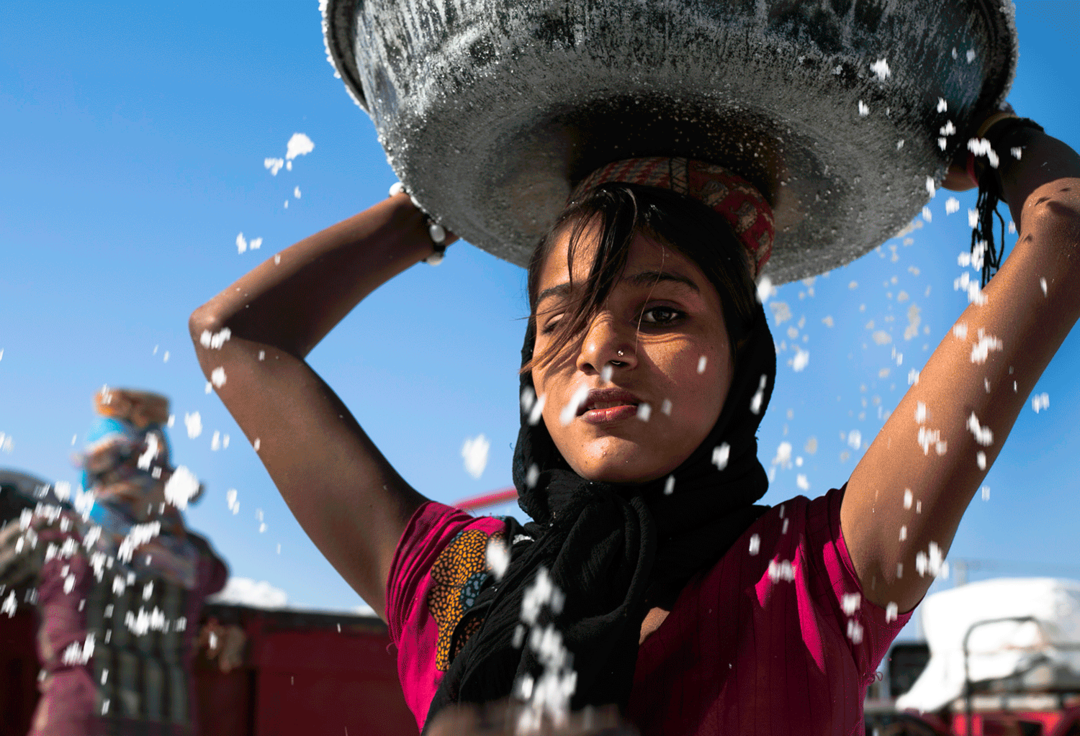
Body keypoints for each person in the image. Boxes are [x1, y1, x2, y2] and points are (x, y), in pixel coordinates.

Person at [189, 108, 1080, 735]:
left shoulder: (819, 582)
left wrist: (1003, 142)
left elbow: (1067, 237)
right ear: (529, 370)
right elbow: (234, 339)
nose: (598, 351)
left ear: (744, 365)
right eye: (560, 321)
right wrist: (428, 212)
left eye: (661, 314)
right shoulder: (456, 583)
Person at [0, 388, 229, 736]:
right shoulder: (194, 558)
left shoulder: (55, 535)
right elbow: (220, 577)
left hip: (78, 721)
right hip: (171, 723)